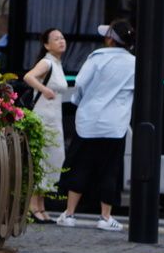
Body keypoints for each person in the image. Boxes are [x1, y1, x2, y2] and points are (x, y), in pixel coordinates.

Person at [56, 19, 136, 232]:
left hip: (89, 121)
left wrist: (80, 101)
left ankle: (70, 213)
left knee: (81, 166)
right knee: (110, 169)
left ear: (110, 39)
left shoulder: (97, 57)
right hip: (115, 125)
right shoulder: (135, 63)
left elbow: (81, 83)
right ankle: (105, 216)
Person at [22, 27, 68, 223]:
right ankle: (33, 205)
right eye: (56, 39)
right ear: (47, 45)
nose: (61, 41)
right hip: (43, 118)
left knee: (53, 159)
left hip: (54, 118)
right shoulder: (47, 62)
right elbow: (28, 77)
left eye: (62, 37)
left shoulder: (57, 63)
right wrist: (44, 90)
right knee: (42, 159)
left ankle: (41, 204)